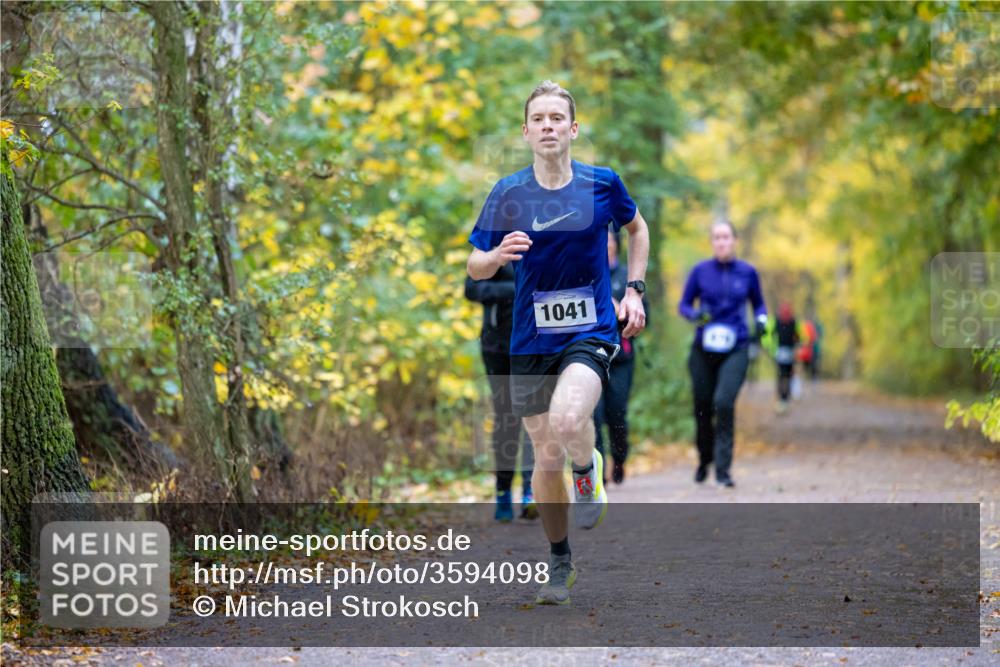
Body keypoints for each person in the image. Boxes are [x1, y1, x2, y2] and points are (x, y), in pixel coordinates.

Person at [466, 81, 649, 605]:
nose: (547, 126)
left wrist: (633, 291)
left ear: (573, 128)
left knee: (569, 420)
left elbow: (638, 232)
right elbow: (474, 265)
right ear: (526, 132)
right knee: (545, 451)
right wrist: (498, 254)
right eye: (538, 119)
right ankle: (559, 562)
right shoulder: (508, 193)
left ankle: (587, 469)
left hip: (590, 329)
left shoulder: (601, 184)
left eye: (556, 118)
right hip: (529, 338)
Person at [678, 220, 766, 488]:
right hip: (703, 349)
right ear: (711, 242)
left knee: (724, 402)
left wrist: (761, 321)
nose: (721, 242)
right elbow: (683, 304)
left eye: (726, 237)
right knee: (702, 407)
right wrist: (695, 315)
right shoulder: (700, 271)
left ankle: (723, 469)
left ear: (735, 241)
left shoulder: (748, 272)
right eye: (716, 238)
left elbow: (759, 305)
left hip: (736, 347)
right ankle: (705, 458)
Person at [465, 266, 537, 522]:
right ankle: (503, 490)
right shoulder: (493, 245)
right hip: (497, 346)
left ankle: (531, 490)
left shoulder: (540, 239)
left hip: (533, 344)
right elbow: (472, 289)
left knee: (534, 418)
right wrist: (516, 291)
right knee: (506, 418)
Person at [592, 228, 647, 485]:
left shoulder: (628, 276)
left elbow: (646, 318)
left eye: (609, 240)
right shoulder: (587, 275)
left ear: (616, 244)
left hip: (621, 358)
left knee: (616, 414)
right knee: (594, 414)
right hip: (591, 355)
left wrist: (621, 309)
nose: (605, 245)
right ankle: (598, 473)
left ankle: (620, 459)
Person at [772, 302, 799, 414]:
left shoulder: (777, 321)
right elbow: (797, 336)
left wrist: (772, 349)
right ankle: (785, 398)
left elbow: (773, 334)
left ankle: (782, 398)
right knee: (787, 376)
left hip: (781, 351)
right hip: (789, 351)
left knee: (781, 376)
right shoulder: (793, 321)